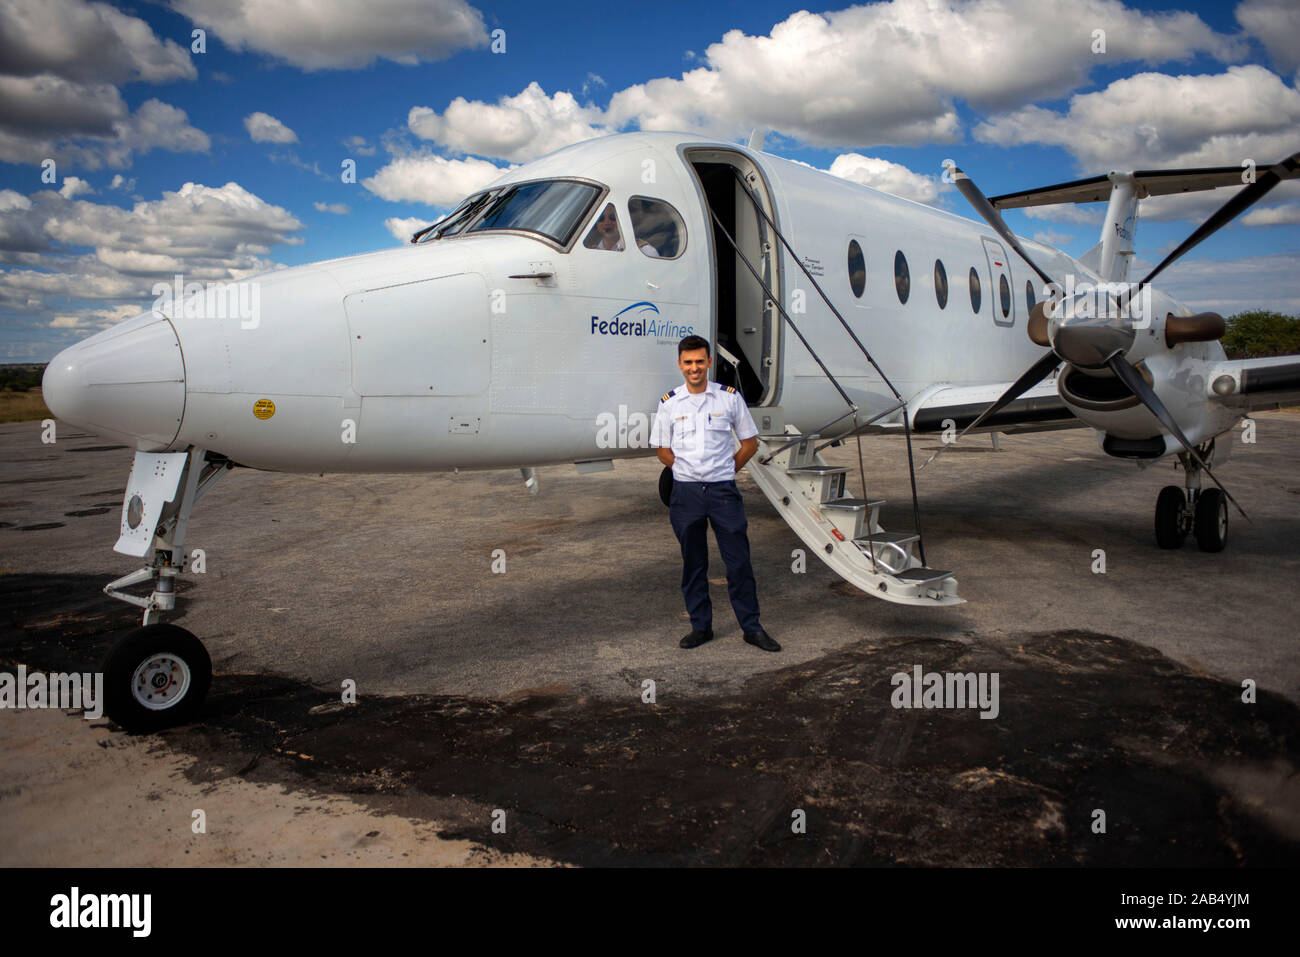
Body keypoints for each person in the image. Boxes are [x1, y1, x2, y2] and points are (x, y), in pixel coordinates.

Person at [650, 335, 779, 652]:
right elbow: (662, 450)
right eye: (688, 362)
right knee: (693, 563)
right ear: (680, 365)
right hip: (686, 494)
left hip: (723, 492)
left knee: (738, 563)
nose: (694, 368)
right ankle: (700, 627)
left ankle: (752, 628)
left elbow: (750, 443)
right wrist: (682, 469)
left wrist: (727, 469)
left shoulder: (729, 399)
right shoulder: (669, 403)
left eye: (699, 361)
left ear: (709, 362)